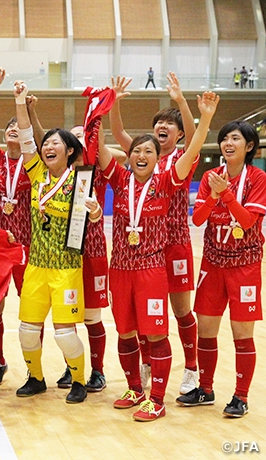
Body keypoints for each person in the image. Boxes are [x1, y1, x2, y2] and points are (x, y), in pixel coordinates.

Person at [99, 90, 219, 422]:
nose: (141, 154)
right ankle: (136, 386)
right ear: (129, 155)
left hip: (160, 257)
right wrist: (103, 107)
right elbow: (106, 143)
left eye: (147, 150)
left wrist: (202, 116)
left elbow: (195, 145)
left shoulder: (168, 177)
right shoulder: (122, 179)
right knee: (126, 330)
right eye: (136, 150)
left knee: (165, 324)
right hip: (121, 267)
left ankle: (171, 385)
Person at [111, 73, 200, 395]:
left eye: (168, 125)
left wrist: (180, 101)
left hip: (174, 243)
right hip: (142, 249)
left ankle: (191, 367)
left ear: (177, 134)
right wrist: (115, 102)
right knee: (142, 314)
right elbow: (119, 132)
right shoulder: (143, 154)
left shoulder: (181, 160)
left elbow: (195, 137)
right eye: (158, 123)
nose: (162, 128)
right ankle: (146, 368)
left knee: (179, 310)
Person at [14, 81, 98, 404]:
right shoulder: (36, 174)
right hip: (36, 267)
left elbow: (87, 219)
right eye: (45, 142)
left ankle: (79, 381)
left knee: (65, 334)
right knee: (26, 331)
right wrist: (20, 100)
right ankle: (36, 379)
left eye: (55, 143)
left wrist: (94, 212)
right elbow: (25, 137)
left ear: (69, 151)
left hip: (66, 269)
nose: (47, 146)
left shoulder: (80, 181)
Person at [176, 121, 266, 418]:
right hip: (213, 264)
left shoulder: (259, 178)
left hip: (245, 266)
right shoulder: (210, 177)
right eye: (225, 138)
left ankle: (240, 397)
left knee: (242, 334)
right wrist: (215, 195)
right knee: (206, 330)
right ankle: (205, 388)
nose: (228, 143)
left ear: (249, 146)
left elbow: (248, 222)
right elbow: (199, 219)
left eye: (236, 139)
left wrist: (226, 195)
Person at [0, 67, 31, 386]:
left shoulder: (34, 161)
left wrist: (22, 103)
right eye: (9, 126)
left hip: (27, 245)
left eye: (17, 126)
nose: (13, 128)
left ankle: (33, 365)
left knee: (30, 311)